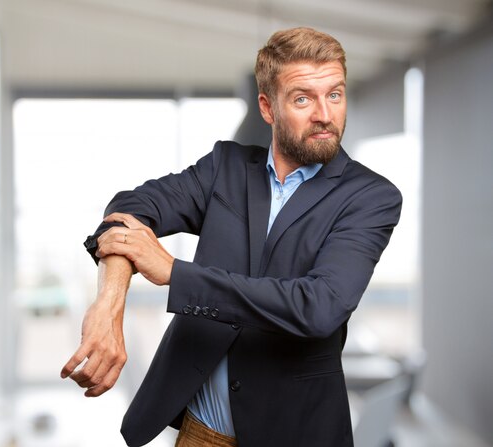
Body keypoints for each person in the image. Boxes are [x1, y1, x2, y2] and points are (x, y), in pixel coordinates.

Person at [61, 27, 402, 447]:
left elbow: (319, 307)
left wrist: (175, 273)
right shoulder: (226, 167)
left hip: (294, 436)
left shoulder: (371, 197)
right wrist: (109, 306)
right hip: (201, 433)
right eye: (302, 98)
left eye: (334, 94)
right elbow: (128, 210)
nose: (325, 114)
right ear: (267, 107)